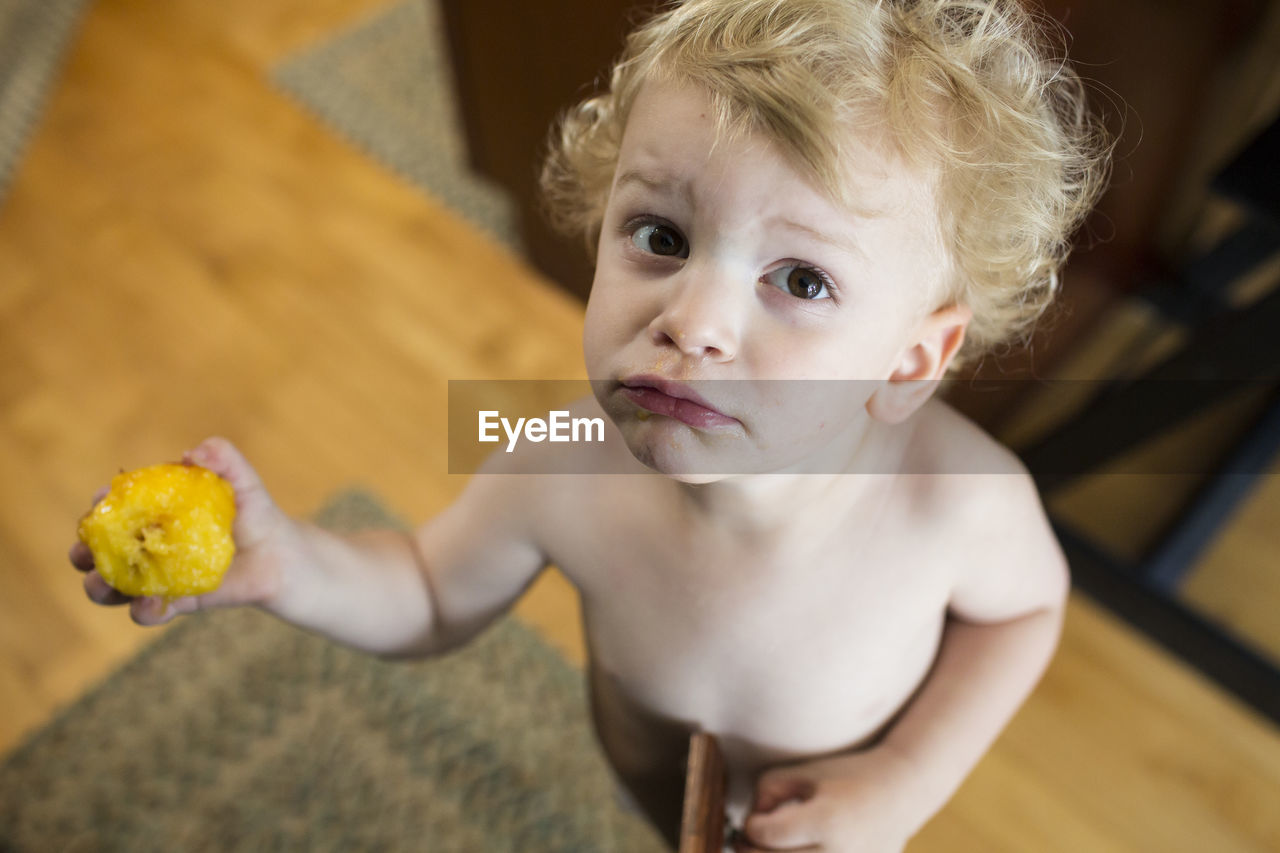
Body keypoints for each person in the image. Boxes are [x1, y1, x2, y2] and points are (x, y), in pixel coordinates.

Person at [71, 0, 1110, 849]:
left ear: (911, 357)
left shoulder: (956, 504)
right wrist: (292, 564)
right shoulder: (560, 456)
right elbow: (430, 592)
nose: (690, 321)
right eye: (659, 234)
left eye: (798, 278)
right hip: (653, 789)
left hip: (838, 821)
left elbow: (1021, 615)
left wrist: (899, 780)